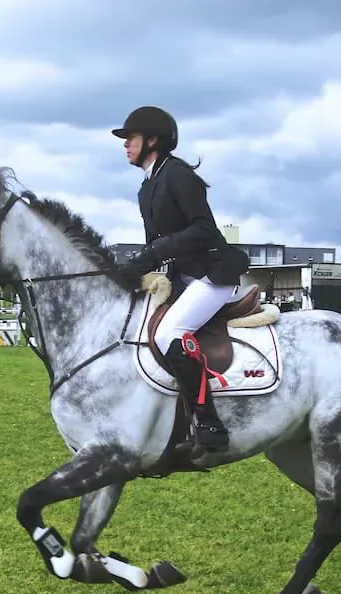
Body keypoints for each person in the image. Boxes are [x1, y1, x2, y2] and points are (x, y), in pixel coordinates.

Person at [112, 105, 250, 453]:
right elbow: (153, 245)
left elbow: (203, 229)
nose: (125, 144)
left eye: (131, 138)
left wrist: (153, 255)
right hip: (184, 277)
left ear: (153, 140)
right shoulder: (147, 187)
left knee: (167, 333)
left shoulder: (178, 175)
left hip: (212, 275)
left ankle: (208, 422)